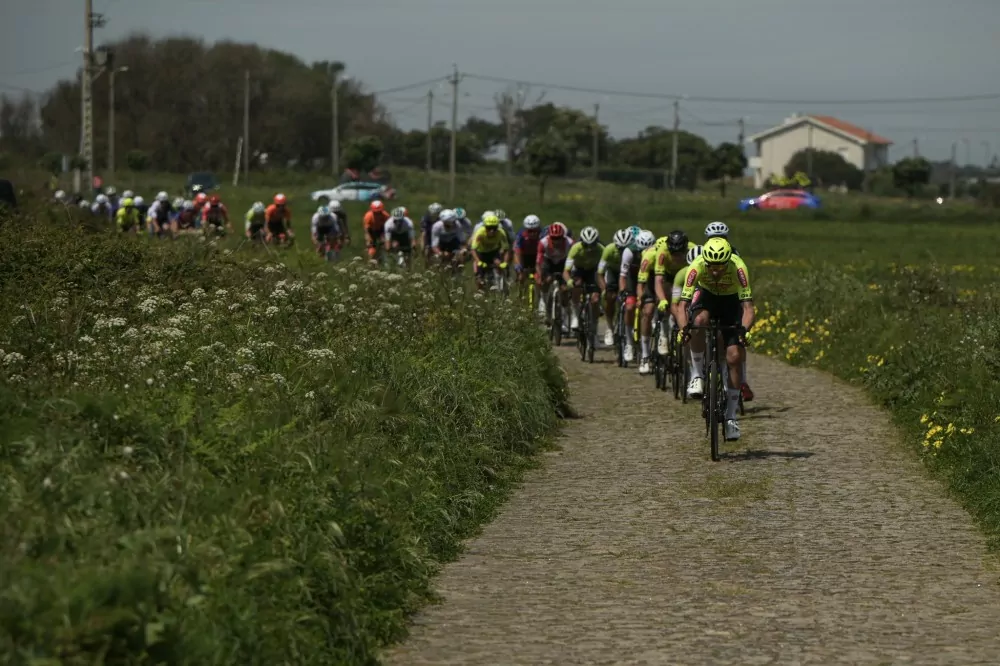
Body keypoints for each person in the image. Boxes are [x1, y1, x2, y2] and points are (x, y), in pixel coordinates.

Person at [676, 237, 755, 442]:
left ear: (728, 261)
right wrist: (684, 329)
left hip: (731, 302)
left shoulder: (739, 268)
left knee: (734, 356)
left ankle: (731, 417)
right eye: (711, 266)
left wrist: (744, 331)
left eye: (720, 267)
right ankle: (697, 375)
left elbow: (748, 308)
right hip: (707, 296)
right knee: (698, 322)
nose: (715, 271)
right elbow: (682, 305)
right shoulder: (696, 266)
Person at [653, 230, 696, 356]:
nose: (677, 258)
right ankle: (663, 335)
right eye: (673, 254)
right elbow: (658, 280)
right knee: (665, 299)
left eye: (680, 254)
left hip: (685, 276)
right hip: (668, 276)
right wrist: (662, 300)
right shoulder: (662, 252)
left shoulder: (693, 249)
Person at [618, 230, 654, 364]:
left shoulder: (656, 252)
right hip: (633, 280)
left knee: (649, 308)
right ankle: (629, 343)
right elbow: (623, 275)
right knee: (629, 307)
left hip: (648, 280)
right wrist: (623, 291)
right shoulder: (629, 252)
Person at [563, 226, 604, 333]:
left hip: (593, 271)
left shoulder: (601, 249)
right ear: (581, 242)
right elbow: (566, 271)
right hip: (579, 270)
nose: (589, 249)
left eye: (592, 245)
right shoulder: (575, 248)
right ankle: (575, 315)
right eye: (586, 245)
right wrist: (569, 281)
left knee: (595, 299)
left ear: (597, 242)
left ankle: (594, 324)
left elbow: (604, 271)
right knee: (577, 285)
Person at [598, 228, 633, 347]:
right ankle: (609, 327)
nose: (623, 252)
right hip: (613, 272)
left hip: (627, 273)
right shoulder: (608, 250)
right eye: (620, 249)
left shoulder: (633, 252)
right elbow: (600, 273)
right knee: (610, 297)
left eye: (625, 248)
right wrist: (604, 290)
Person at [535, 221, 573, 329]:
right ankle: (544, 301)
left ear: (563, 237)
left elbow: (573, 261)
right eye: (553, 238)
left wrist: (570, 278)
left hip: (563, 263)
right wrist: (540, 277)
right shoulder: (543, 242)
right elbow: (538, 262)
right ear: (549, 237)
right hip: (548, 262)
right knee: (546, 280)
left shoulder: (569, 243)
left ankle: (564, 317)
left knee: (564, 290)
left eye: (558, 238)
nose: (556, 241)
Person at [470, 213, 510, 290]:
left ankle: (502, 286)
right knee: (479, 278)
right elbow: (473, 249)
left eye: (494, 228)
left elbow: (506, 249)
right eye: (489, 228)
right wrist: (478, 261)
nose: (492, 231)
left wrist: (505, 262)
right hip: (481, 253)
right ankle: (480, 291)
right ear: (485, 227)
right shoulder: (480, 233)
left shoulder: (501, 232)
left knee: (498, 264)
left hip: (493, 252)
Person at [513, 214, 542, 305]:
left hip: (537, 256)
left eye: (535, 231)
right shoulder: (521, 235)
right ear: (526, 229)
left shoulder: (542, 234)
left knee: (539, 278)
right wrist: (518, 266)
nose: (533, 234)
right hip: (524, 256)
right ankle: (520, 296)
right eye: (530, 231)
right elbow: (517, 252)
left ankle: (541, 298)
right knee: (521, 276)